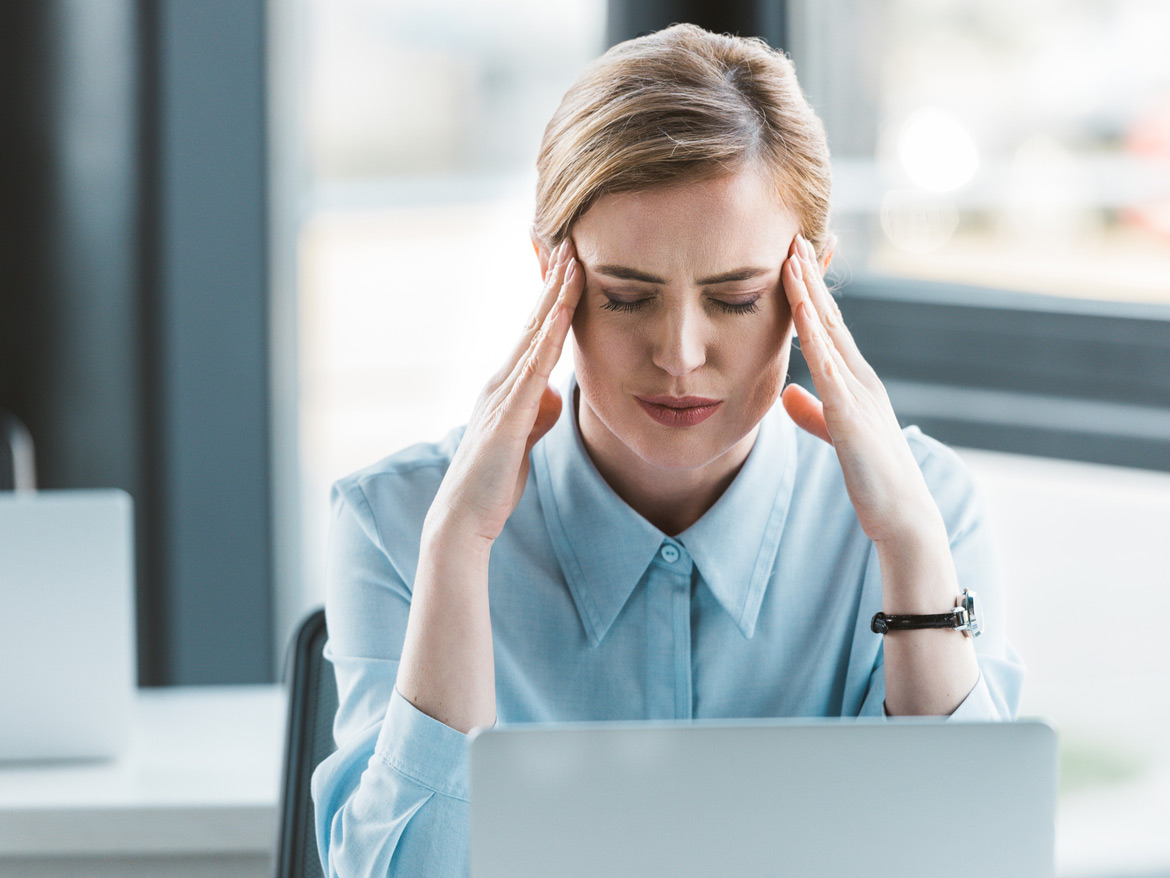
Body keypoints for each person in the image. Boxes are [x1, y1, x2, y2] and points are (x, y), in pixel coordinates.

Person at [311, 23, 1024, 877]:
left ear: (810, 287)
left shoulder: (927, 508)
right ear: (553, 278)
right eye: (623, 297)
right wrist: (457, 547)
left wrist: (910, 545)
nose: (680, 355)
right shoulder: (395, 519)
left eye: (735, 298)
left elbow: (972, 863)